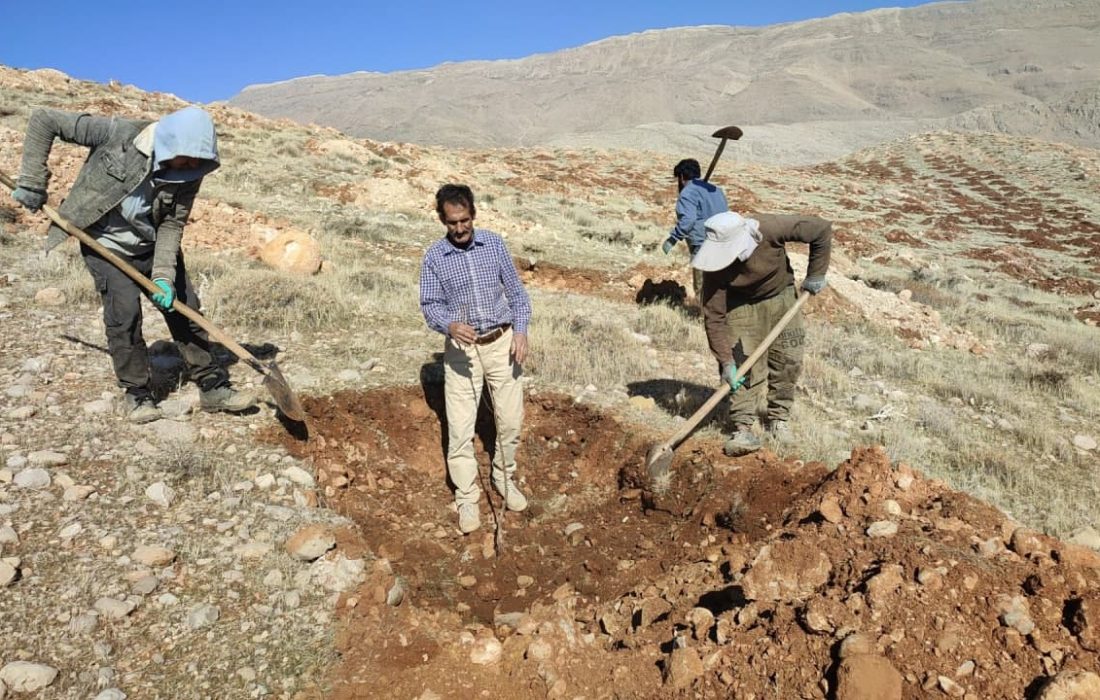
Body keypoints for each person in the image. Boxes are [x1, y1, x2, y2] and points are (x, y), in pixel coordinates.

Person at [10, 106, 256, 423]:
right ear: (169, 143)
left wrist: (164, 276)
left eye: (198, 161)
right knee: (124, 316)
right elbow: (44, 120)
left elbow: (172, 225)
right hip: (104, 245)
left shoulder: (190, 172)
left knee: (187, 309)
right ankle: (138, 394)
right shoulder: (117, 134)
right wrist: (32, 181)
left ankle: (212, 386)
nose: (192, 167)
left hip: (152, 246)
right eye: (187, 159)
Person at [419, 184, 533, 534]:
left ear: (474, 214)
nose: (460, 228)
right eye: (452, 222)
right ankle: (467, 497)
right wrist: (449, 325)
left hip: (502, 343)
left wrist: (520, 331)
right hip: (461, 352)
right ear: (442, 220)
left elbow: (517, 295)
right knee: (460, 428)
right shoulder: (434, 257)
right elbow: (430, 305)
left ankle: (503, 477)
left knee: (510, 420)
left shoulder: (494, 245)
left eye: (464, 220)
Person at [693, 211, 832, 456]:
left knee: (788, 360)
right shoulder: (714, 268)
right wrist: (725, 361)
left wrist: (816, 274)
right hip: (740, 305)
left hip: (782, 297)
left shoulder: (770, 228)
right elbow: (714, 316)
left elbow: (821, 229)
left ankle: (779, 418)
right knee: (742, 368)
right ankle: (742, 427)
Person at [661, 158, 729, 299]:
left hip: (703, 246)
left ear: (681, 177)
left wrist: (673, 238)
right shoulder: (717, 190)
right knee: (720, 286)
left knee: (702, 287)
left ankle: (702, 312)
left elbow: (688, 220)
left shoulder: (687, 193)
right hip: (724, 243)